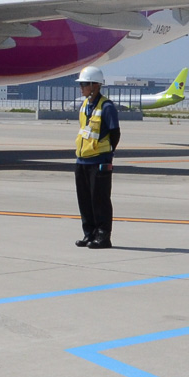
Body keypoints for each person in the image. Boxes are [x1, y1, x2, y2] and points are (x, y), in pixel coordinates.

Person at [73, 64, 122, 248]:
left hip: (99, 161)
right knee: (84, 200)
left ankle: (103, 236)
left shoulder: (107, 107)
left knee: (99, 200)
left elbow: (115, 133)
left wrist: (108, 155)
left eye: (84, 84)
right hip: (82, 160)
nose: (81, 87)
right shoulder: (85, 105)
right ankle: (89, 233)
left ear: (95, 85)